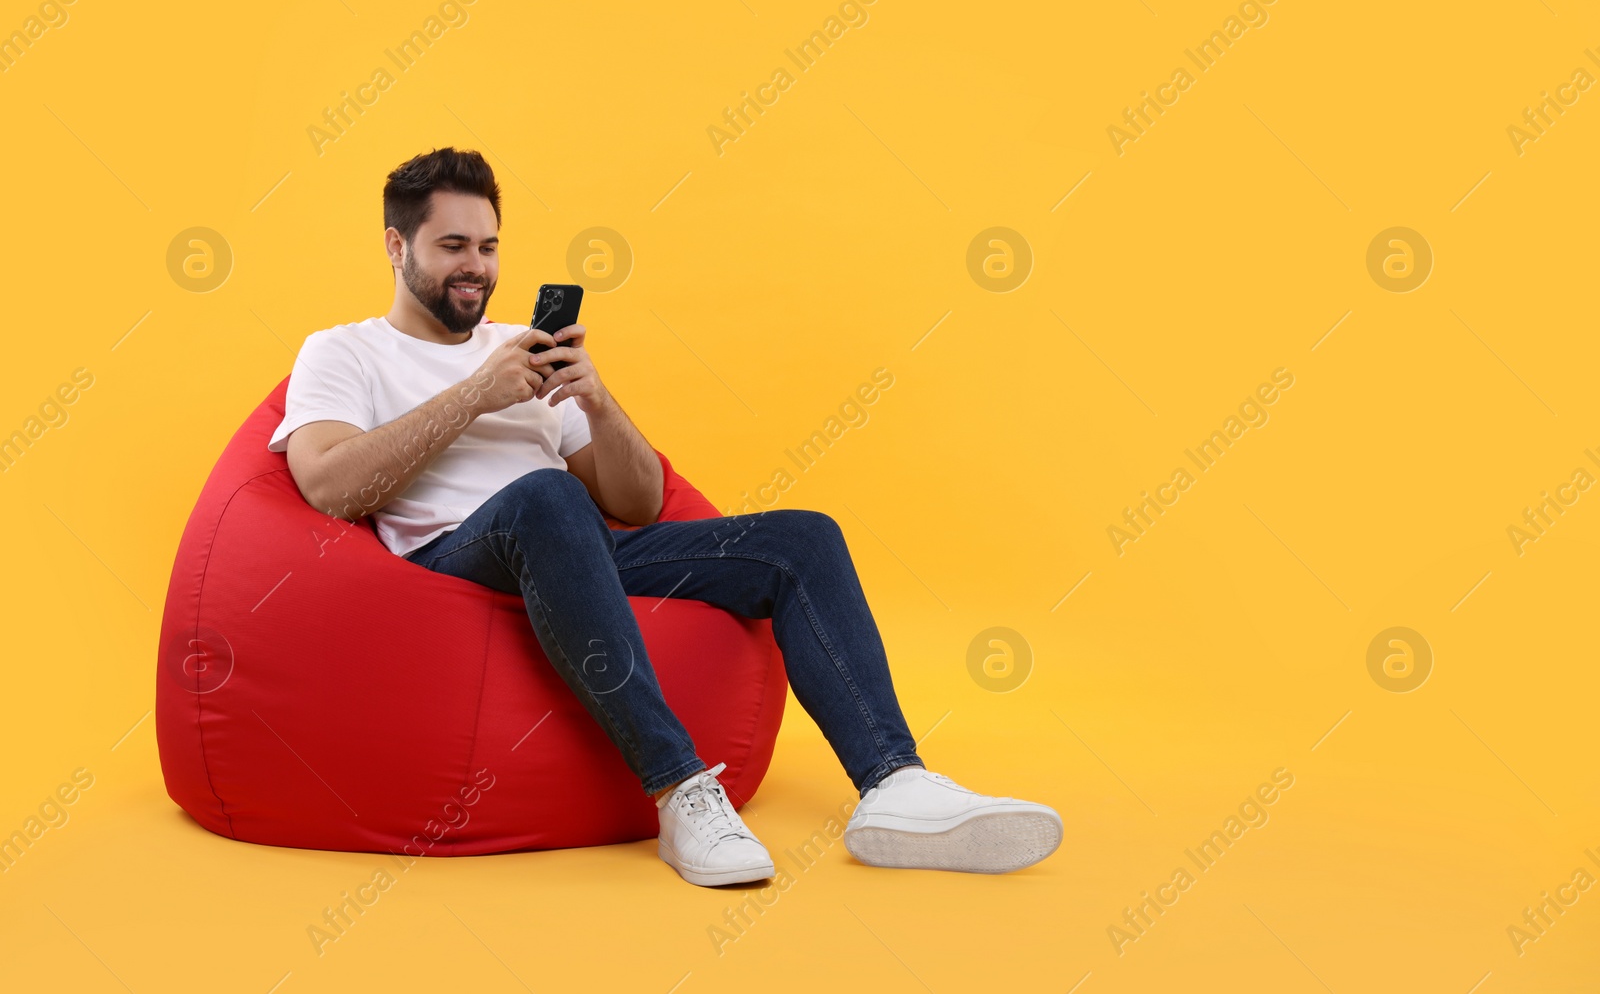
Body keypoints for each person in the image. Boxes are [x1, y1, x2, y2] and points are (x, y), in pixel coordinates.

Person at [268, 146, 1063, 887]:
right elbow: (329, 483)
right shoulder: (345, 351)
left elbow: (637, 503)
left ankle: (894, 780)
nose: (477, 267)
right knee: (549, 496)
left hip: (578, 554)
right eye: (453, 246)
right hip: (457, 562)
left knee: (802, 537)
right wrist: (478, 392)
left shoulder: (523, 346)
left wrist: (595, 398)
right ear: (396, 247)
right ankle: (681, 790)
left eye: (489, 246)